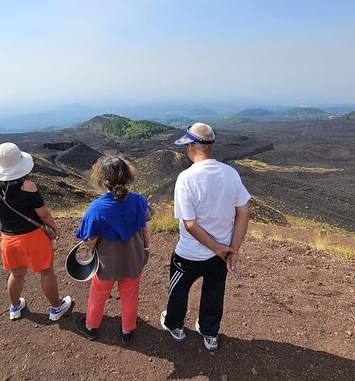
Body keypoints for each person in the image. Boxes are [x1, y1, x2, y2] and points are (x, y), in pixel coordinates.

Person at [160, 123, 250, 351]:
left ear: (191, 146)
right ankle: (210, 333)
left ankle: (175, 326)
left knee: (179, 290)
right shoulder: (231, 174)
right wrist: (231, 250)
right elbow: (243, 213)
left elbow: (190, 224)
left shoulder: (186, 178)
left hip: (190, 253)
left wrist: (220, 248)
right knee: (214, 291)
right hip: (220, 255)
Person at [0, 142, 72, 321]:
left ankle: (15, 308)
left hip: (8, 239)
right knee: (46, 272)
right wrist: (55, 227)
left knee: (16, 275)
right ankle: (56, 308)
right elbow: (43, 214)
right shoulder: (28, 186)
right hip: (34, 237)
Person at [73, 155, 152, 346]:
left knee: (98, 295)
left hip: (106, 265)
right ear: (127, 176)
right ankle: (127, 331)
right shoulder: (139, 201)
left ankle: (91, 327)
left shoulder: (96, 209)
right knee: (130, 295)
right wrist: (146, 249)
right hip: (133, 260)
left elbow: (89, 242)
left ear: (101, 179)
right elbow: (145, 229)